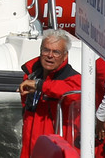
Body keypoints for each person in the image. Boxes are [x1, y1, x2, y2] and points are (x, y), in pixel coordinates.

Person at [17, 30, 79, 158]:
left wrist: (40, 86)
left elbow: (73, 93)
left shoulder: (72, 79)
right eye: (46, 50)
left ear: (65, 56)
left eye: (56, 52)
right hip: (30, 149)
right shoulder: (31, 75)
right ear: (40, 51)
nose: (50, 55)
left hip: (56, 150)